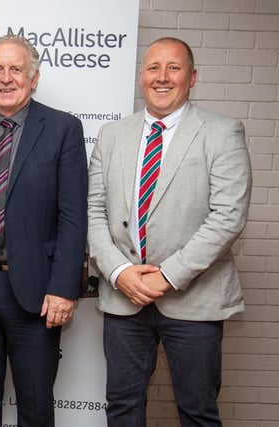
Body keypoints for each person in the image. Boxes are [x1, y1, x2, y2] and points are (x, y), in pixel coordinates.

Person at [87, 37, 252, 426]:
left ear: (192, 77)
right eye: (153, 68)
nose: (162, 77)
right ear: (141, 77)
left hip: (194, 298)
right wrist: (118, 271)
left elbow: (228, 216)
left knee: (197, 411)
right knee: (123, 408)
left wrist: (167, 275)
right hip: (123, 296)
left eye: (173, 68)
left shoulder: (223, 132)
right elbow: (93, 212)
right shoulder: (112, 135)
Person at [0, 34, 88, 427]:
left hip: (38, 290)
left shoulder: (63, 129)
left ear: (34, 77)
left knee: (35, 404)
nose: (6, 78)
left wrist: (63, 288)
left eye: (16, 69)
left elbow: (74, 217)